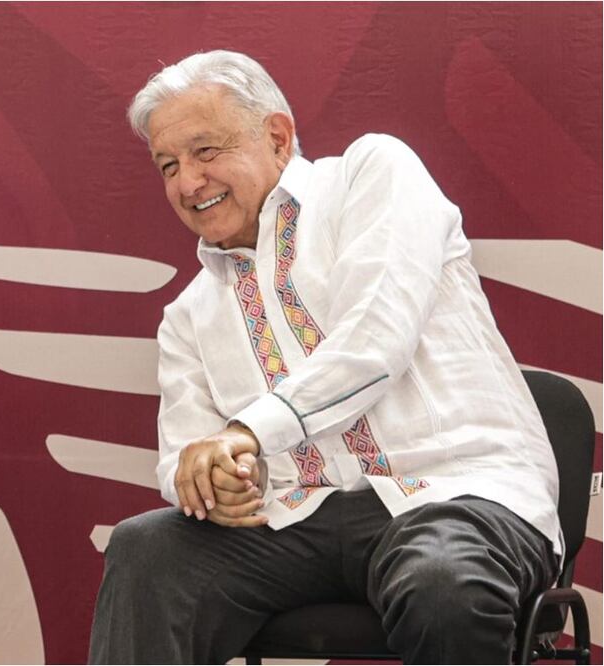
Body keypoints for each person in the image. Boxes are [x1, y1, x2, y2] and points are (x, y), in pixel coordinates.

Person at [89, 50, 561, 664]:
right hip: (296, 523)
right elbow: (185, 453)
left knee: (442, 580)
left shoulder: (372, 174)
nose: (186, 183)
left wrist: (248, 432)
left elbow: (375, 339)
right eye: (168, 165)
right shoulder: (188, 314)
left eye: (205, 152)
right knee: (146, 551)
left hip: (453, 495)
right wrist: (213, 481)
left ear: (278, 138)